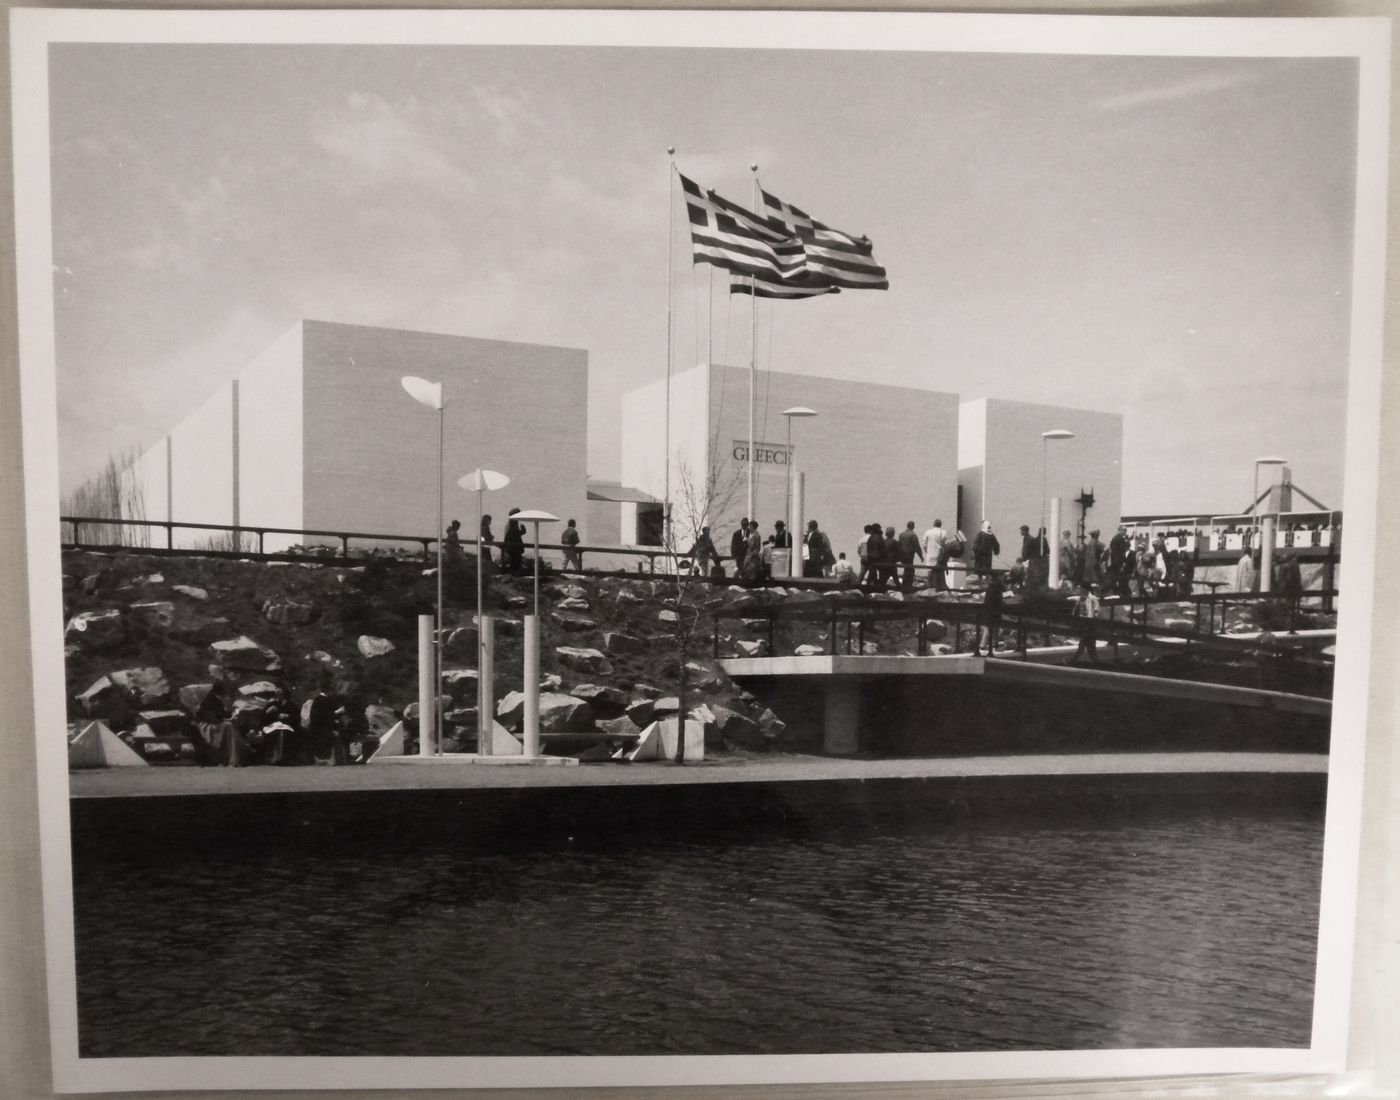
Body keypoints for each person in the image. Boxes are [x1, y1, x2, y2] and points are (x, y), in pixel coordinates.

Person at [973, 571, 1004, 655]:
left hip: (989, 610)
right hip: (994, 611)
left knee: (989, 628)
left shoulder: (991, 588)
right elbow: (998, 599)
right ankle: (993, 646)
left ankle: (984, 646)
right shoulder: (997, 587)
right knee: (993, 628)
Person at [1071, 582, 1101, 664]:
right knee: (1089, 647)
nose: (1079, 590)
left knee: (1085, 645)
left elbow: (1096, 611)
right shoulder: (1080, 598)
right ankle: (1096, 663)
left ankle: (1072, 661)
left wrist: (1092, 621)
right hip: (1083, 625)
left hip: (1090, 626)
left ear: (1085, 589)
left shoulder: (1092, 599)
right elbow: (1075, 610)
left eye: (1081, 588)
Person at [923, 519, 952, 592]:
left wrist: (928, 552)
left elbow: (924, 545)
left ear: (934, 524)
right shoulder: (944, 533)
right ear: (940, 525)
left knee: (930, 575)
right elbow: (947, 546)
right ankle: (938, 590)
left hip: (930, 557)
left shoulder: (928, 532)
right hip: (939, 558)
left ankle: (930, 591)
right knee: (939, 575)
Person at [896, 521, 924, 592]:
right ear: (913, 526)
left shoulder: (901, 534)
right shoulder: (913, 535)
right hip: (909, 555)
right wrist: (921, 556)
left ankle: (904, 585)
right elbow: (917, 547)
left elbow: (899, 546)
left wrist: (899, 556)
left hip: (902, 555)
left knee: (906, 569)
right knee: (910, 570)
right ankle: (908, 586)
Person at [503, 508, 526, 574]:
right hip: (514, 548)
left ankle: (513, 575)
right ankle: (514, 575)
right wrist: (522, 531)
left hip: (512, 548)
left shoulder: (511, 523)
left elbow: (511, 535)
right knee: (516, 563)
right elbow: (513, 535)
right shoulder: (512, 523)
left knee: (515, 562)